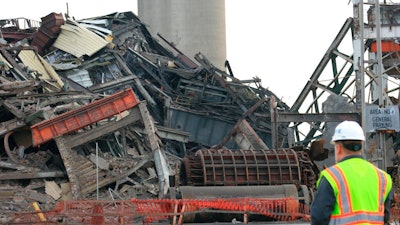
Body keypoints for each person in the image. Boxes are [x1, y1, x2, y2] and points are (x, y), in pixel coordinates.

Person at [310, 120, 393, 225]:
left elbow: (318, 218)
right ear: (361, 146)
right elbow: (385, 218)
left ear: (339, 147)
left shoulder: (332, 177)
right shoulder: (383, 178)